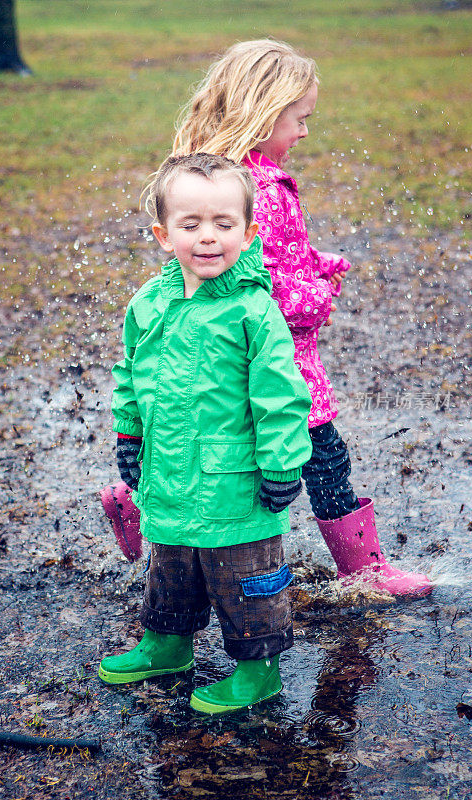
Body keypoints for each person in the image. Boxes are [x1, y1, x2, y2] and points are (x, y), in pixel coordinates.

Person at [167, 39, 432, 597]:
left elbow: (265, 259)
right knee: (324, 455)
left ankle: (133, 493)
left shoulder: (220, 178)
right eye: (300, 119)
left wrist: (318, 263)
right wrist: (317, 296)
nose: (305, 132)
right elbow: (271, 286)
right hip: (276, 362)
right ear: (264, 111)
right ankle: (365, 569)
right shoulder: (263, 188)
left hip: (230, 357)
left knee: (208, 451)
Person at [98, 153, 314, 714]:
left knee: (246, 574)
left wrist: (282, 463)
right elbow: (131, 372)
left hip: (235, 479)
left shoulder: (253, 310)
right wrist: (129, 434)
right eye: (190, 225)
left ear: (248, 231)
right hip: (167, 471)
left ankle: (257, 667)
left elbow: (282, 395)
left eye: (223, 224)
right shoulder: (150, 303)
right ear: (164, 235)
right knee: (171, 561)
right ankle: (167, 642)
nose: (208, 238)